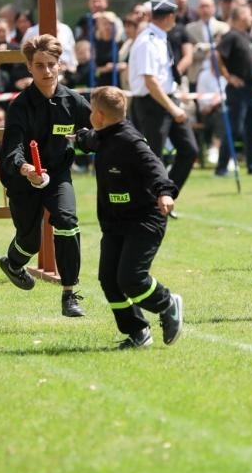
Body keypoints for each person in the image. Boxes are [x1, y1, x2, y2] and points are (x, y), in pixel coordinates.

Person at [76, 85, 183, 349]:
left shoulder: (131, 141)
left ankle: (167, 303)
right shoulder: (102, 134)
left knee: (131, 279)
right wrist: (75, 139)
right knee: (109, 280)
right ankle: (137, 331)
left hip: (144, 220)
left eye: (91, 111)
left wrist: (165, 192)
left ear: (99, 115)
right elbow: (88, 140)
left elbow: (155, 167)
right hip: (114, 223)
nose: (90, 115)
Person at [0, 34, 92, 317]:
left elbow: (101, 128)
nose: (47, 71)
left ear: (60, 64)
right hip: (23, 179)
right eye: (39, 65)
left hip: (58, 174)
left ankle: (69, 294)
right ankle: (13, 263)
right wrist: (26, 169)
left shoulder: (74, 102)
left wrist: (91, 139)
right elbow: (12, 149)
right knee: (29, 242)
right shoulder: (19, 106)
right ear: (29, 67)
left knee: (67, 220)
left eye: (51, 64)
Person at [127, 0, 198, 194]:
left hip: (166, 99)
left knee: (189, 150)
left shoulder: (159, 37)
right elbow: (150, 81)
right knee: (153, 157)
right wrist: (173, 108)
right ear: (169, 17)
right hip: (152, 104)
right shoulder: (148, 41)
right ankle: (151, 202)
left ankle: (166, 196)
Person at [215, 2, 252, 176]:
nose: (251, 18)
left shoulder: (246, 36)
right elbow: (218, 55)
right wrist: (229, 77)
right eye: (249, 14)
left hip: (250, 89)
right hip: (237, 91)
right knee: (234, 128)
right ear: (241, 16)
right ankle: (221, 167)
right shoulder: (231, 36)